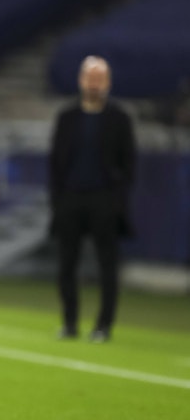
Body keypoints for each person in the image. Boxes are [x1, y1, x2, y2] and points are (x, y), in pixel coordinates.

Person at [48, 55, 136, 343]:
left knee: (107, 266)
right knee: (66, 265)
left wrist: (118, 200)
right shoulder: (67, 117)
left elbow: (129, 163)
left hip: (104, 200)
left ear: (108, 83)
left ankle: (103, 326)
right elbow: (56, 162)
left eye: (100, 79)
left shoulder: (120, 118)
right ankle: (70, 322)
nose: (94, 84)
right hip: (71, 198)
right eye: (90, 78)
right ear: (81, 80)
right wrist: (57, 201)